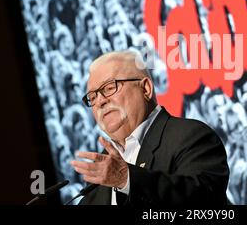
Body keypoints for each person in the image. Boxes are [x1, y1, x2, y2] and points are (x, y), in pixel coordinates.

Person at [72, 51, 229, 205]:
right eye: (92, 97)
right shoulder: (105, 166)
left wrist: (127, 179)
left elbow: (203, 199)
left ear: (145, 89)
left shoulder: (191, 136)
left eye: (109, 87)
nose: (100, 102)